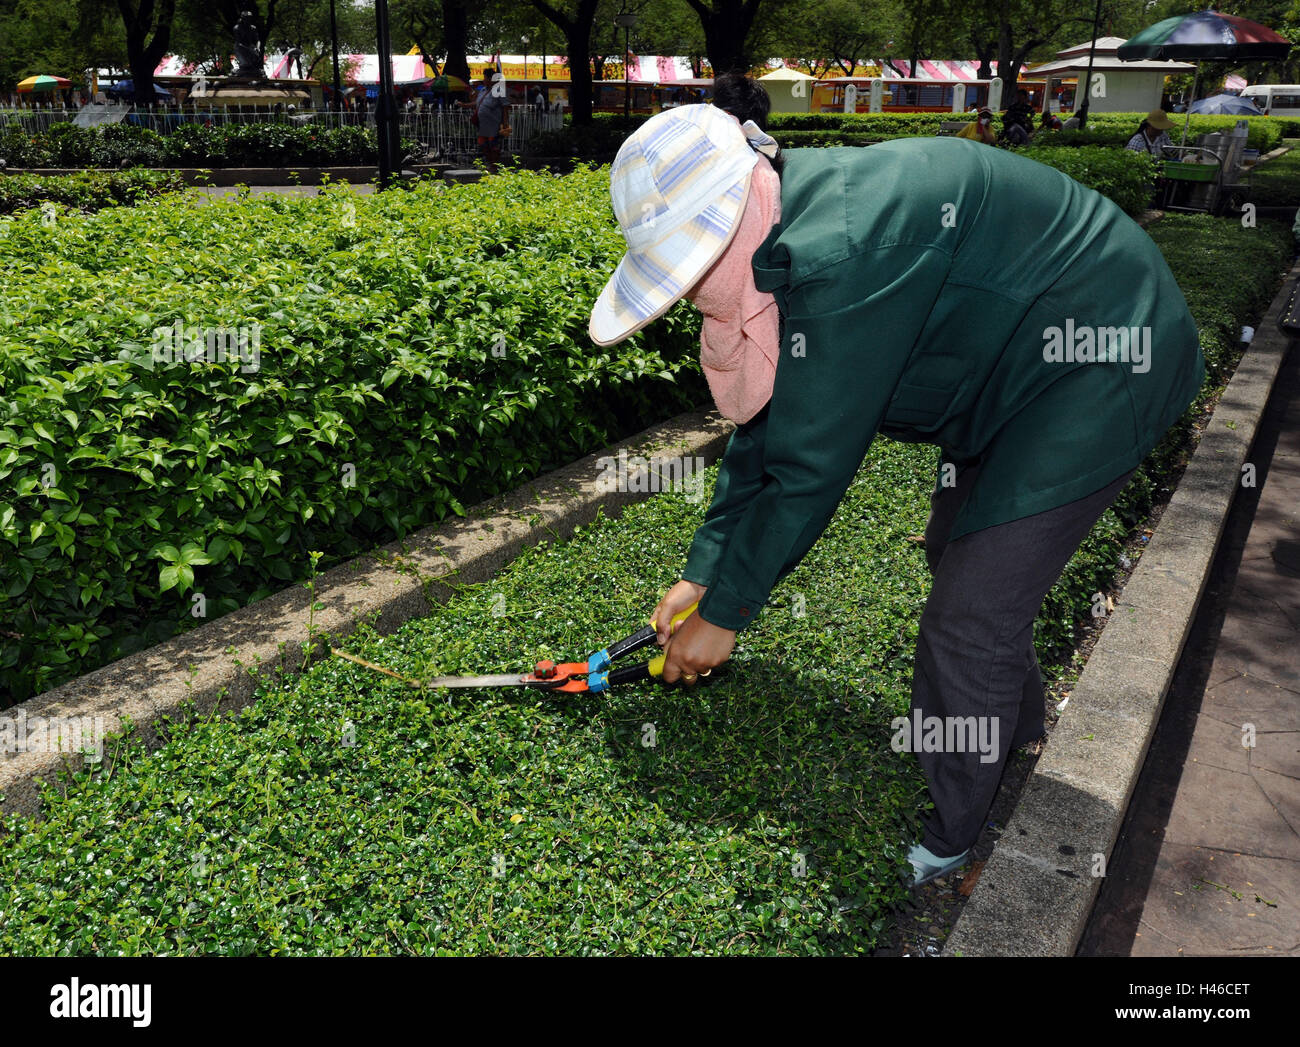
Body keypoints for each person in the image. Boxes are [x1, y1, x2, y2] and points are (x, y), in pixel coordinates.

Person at [587, 92, 1204, 888]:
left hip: (1105, 358)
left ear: (731, 215)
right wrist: (702, 574)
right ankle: (1011, 731)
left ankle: (951, 832)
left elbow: (809, 468)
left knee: (970, 613)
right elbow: (767, 432)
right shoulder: (784, 231)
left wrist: (724, 618)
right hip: (1013, 380)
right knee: (962, 555)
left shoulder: (842, 251)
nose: (687, 292)